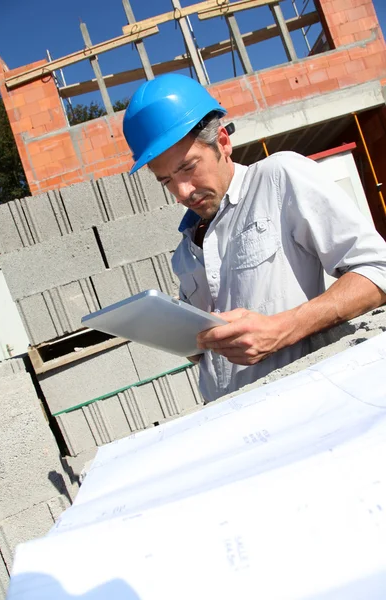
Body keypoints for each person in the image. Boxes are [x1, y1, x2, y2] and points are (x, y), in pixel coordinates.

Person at [123, 73, 386, 403]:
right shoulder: (186, 251)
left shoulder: (279, 180)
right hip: (228, 421)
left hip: (304, 406)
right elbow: (201, 352)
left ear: (222, 142)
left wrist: (281, 329)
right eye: (166, 181)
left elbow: (378, 270)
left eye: (188, 168)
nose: (182, 192)